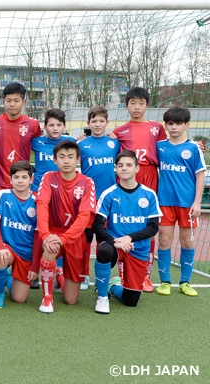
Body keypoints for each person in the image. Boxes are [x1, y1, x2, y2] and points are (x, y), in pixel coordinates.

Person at [93, 151, 161, 314]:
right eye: (120, 165)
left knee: (131, 301)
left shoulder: (149, 194)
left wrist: (129, 237)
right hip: (114, 245)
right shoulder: (109, 193)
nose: (124, 169)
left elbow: (153, 227)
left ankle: (113, 286)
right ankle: (102, 297)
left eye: (129, 165)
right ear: (115, 169)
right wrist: (116, 241)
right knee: (104, 250)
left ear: (137, 168)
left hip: (137, 248)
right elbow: (97, 225)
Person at [113, 86, 166, 292]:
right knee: (124, 224)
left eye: (141, 103)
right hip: (126, 176)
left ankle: (145, 276)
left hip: (149, 174)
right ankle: (124, 275)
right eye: (132, 103)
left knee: (148, 225)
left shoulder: (157, 128)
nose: (136, 107)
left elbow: (169, 147)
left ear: (147, 104)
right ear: (126, 106)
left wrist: (194, 144)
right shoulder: (119, 131)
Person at [36, 140, 95, 313]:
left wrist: (65, 238)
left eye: (70, 157)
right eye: (62, 157)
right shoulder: (48, 177)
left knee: (70, 300)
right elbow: (42, 205)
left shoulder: (87, 182)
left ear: (78, 159)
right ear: (55, 160)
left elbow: (84, 216)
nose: (66, 161)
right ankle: (47, 298)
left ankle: (59, 274)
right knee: (50, 248)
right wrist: (45, 235)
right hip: (53, 232)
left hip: (75, 237)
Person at [155, 106, 205, 298]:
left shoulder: (193, 148)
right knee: (165, 240)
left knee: (187, 242)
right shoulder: (160, 146)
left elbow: (200, 175)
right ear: (166, 125)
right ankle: (165, 281)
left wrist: (198, 203)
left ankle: (185, 282)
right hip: (165, 202)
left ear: (187, 125)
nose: (173, 127)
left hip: (187, 204)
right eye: (170, 123)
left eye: (178, 124)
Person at [78, 106, 121, 291]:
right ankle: (84, 274)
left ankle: (104, 276)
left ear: (107, 123)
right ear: (88, 124)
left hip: (109, 200)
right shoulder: (81, 144)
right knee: (86, 238)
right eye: (94, 121)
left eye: (101, 121)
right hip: (88, 199)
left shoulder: (115, 143)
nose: (97, 124)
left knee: (106, 239)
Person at [0, 161, 40, 309]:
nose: (20, 180)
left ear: (31, 179)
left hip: (26, 252)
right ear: (10, 179)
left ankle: (6, 277)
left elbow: (38, 236)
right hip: (7, 248)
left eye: (24, 177)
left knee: (19, 299)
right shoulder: (3, 195)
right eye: (16, 177)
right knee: (0, 257)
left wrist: (35, 265)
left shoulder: (37, 201)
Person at [0, 82, 41, 203]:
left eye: (16, 100)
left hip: (21, 182)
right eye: (8, 100)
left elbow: (43, 145)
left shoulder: (33, 124)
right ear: (3, 101)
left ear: (24, 102)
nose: (12, 104)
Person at [30, 108, 74, 194]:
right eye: (51, 125)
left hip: (62, 189)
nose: (55, 128)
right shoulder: (36, 141)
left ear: (64, 126)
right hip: (38, 188)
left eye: (59, 125)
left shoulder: (71, 141)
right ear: (45, 127)